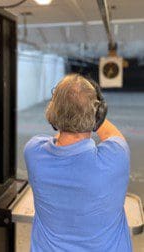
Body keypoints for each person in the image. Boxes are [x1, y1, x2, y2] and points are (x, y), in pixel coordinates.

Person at [24, 74, 132, 252]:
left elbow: (58, 138)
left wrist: (64, 111)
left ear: (52, 112)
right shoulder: (116, 157)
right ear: (98, 114)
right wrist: (93, 111)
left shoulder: (33, 152)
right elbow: (111, 135)